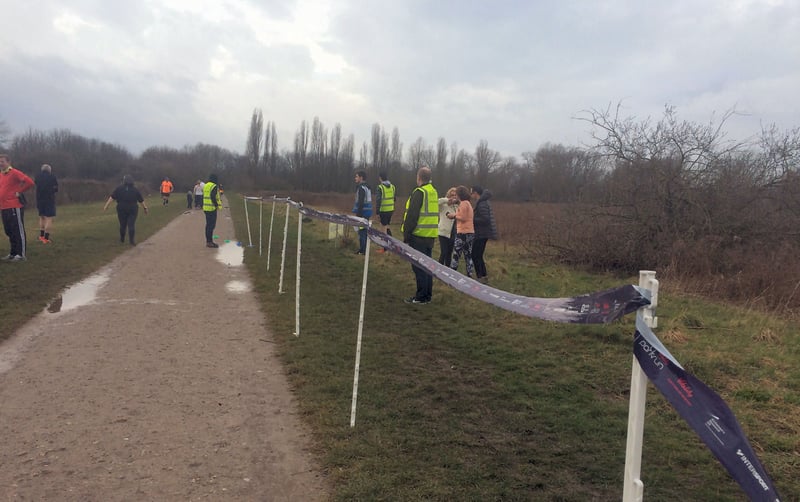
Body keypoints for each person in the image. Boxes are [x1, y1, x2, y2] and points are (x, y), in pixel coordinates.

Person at [401, 166, 438, 304]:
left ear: (419, 177)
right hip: (430, 235)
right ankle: (427, 295)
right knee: (427, 266)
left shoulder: (419, 192)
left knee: (419, 267)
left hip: (419, 236)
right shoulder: (433, 191)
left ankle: (421, 296)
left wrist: (407, 235)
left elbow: (412, 216)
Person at [0, 154, 35, 261]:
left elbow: (29, 182)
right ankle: (13, 252)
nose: (0, 164)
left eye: (2, 161)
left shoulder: (14, 172)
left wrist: (19, 191)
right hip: (3, 206)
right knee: (9, 230)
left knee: (17, 230)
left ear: (8, 162)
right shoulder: (1, 175)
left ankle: (21, 254)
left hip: (14, 206)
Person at [103, 175, 148, 246]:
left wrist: (106, 206)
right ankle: (132, 241)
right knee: (131, 224)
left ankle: (122, 239)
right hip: (132, 208)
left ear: (124, 181)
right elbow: (141, 200)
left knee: (122, 225)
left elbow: (112, 197)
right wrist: (145, 208)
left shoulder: (119, 188)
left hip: (121, 208)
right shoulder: (135, 190)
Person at [471, 185, 498, 284]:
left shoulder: (482, 203)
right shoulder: (483, 201)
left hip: (481, 233)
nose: (471, 195)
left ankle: (480, 277)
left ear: (475, 193)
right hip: (482, 233)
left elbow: (485, 219)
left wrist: (472, 219)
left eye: (472, 192)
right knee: (478, 255)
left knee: (475, 255)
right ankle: (484, 276)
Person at [448, 185, 475, 277]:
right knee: (468, 254)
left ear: (460, 195)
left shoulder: (463, 204)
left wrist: (453, 216)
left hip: (462, 232)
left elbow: (462, 217)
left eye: (456, 194)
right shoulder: (468, 203)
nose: (455, 196)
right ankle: (470, 273)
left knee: (456, 253)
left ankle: (452, 273)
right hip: (470, 232)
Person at [35, 164, 58, 244]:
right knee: (49, 218)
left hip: (39, 199)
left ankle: (41, 236)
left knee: (41, 217)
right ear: (49, 170)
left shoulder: (37, 176)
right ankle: (46, 238)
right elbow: (56, 188)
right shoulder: (52, 177)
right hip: (49, 200)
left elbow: (36, 184)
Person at [352, 170, 373, 255]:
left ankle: (362, 250)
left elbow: (361, 202)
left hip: (362, 213)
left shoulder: (361, 188)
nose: (355, 178)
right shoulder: (367, 187)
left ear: (361, 178)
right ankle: (363, 249)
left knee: (362, 232)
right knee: (363, 231)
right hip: (367, 212)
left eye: (356, 176)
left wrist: (358, 215)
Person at [437, 186, 458, 266]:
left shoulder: (456, 207)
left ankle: (447, 269)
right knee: (444, 252)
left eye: (455, 195)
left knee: (449, 253)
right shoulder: (443, 206)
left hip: (452, 233)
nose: (454, 197)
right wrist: (447, 200)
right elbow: (437, 202)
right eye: (452, 195)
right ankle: (439, 267)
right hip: (443, 232)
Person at [374, 172, 395, 252]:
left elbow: (378, 200)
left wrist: (377, 212)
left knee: (383, 229)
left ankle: (385, 248)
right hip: (391, 209)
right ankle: (391, 243)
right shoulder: (393, 187)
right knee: (387, 227)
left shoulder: (380, 187)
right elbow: (394, 198)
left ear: (380, 178)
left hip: (383, 210)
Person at [203, 173, 222, 248]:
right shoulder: (214, 186)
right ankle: (210, 242)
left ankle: (208, 241)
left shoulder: (206, 185)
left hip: (206, 208)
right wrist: (216, 205)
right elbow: (212, 196)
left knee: (208, 225)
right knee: (211, 226)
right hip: (211, 208)